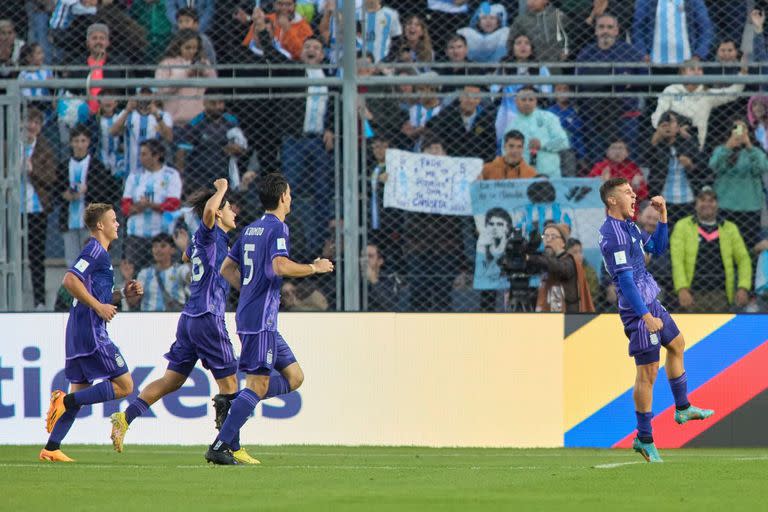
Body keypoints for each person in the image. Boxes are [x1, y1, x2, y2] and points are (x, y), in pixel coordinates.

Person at [109, 179, 259, 464]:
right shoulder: (211, 232)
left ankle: (124, 418)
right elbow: (203, 223)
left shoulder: (212, 240)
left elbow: (186, 255)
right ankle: (229, 446)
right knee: (230, 384)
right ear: (216, 213)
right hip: (207, 316)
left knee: (172, 381)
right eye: (229, 208)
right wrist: (220, 190)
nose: (234, 212)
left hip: (190, 318)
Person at [204, 173, 334, 465]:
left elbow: (227, 268)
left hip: (259, 319)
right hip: (260, 319)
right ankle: (220, 445)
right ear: (283, 197)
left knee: (295, 377)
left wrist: (249, 289)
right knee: (259, 385)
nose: (291, 197)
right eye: (289, 193)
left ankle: (236, 403)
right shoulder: (278, 228)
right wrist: (314, 267)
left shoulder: (249, 229)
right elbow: (279, 265)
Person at [598, 177, 714, 463]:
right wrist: (646, 316)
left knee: (677, 344)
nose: (634, 195)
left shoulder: (630, 226)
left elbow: (658, 249)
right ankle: (644, 438)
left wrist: (663, 217)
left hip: (650, 299)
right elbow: (625, 281)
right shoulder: (613, 234)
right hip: (637, 311)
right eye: (627, 192)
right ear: (612, 200)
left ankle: (683, 407)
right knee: (647, 374)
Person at [40, 203, 143, 462]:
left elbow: (97, 294)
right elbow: (69, 280)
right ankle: (65, 401)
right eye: (113, 220)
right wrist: (99, 307)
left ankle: (51, 448)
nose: (117, 223)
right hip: (91, 332)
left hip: (78, 331)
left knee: (80, 389)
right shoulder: (95, 250)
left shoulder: (101, 254)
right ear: (100, 225)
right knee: (125, 386)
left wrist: (121, 295)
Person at [670, 186, 751, 313]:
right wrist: (682, 289)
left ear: (717, 204)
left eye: (711, 200)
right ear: (695, 204)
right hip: (692, 294)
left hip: (721, 295)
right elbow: (677, 261)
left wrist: (743, 287)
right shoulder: (682, 226)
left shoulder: (730, 228)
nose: (707, 204)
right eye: (702, 200)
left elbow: (744, 260)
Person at [57, 124, 121, 266]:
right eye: (76, 141)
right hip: (69, 219)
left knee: (91, 260)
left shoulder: (96, 166)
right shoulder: (63, 166)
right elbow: (57, 190)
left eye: (83, 141)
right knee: (72, 261)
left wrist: (88, 191)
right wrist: (65, 195)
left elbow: (105, 192)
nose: (79, 145)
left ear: (88, 142)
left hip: (90, 221)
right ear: (71, 142)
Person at [709, 118, 768, 249]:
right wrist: (729, 146)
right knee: (724, 247)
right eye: (735, 128)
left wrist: (748, 145)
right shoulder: (721, 149)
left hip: (750, 207)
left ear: (748, 131)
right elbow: (713, 165)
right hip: (725, 206)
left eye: (743, 129)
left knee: (747, 246)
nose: (739, 132)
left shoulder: (755, 151)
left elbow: (763, 166)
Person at [527, 223, 594, 313]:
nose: (548, 240)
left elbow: (560, 268)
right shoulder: (547, 261)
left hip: (569, 320)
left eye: (553, 236)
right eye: (545, 236)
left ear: (563, 242)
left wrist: (532, 258)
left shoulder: (569, 261)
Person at [504, 86, 570, 178]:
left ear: (536, 101)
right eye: (523, 99)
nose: (527, 103)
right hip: (523, 176)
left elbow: (564, 142)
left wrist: (542, 145)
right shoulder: (511, 126)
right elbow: (506, 154)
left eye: (531, 99)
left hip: (550, 175)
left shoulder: (549, 118)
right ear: (516, 101)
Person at [155, 29, 217, 126]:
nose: (192, 51)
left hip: (201, 121)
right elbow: (163, 89)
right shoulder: (167, 63)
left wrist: (205, 72)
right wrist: (186, 72)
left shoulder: (204, 62)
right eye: (188, 48)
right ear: (178, 46)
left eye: (195, 48)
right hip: (175, 121)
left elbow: (215, 86)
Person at [125, 233, 191, 312]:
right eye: (155, 246)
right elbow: (133, 302)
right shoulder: (145, 273)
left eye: (163, 246)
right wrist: (128, 278)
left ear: (172, 250)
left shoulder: (180, 270)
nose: (158, 249)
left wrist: (185, 250)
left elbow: (193, 278)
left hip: (173, 317)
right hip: (149, 318)